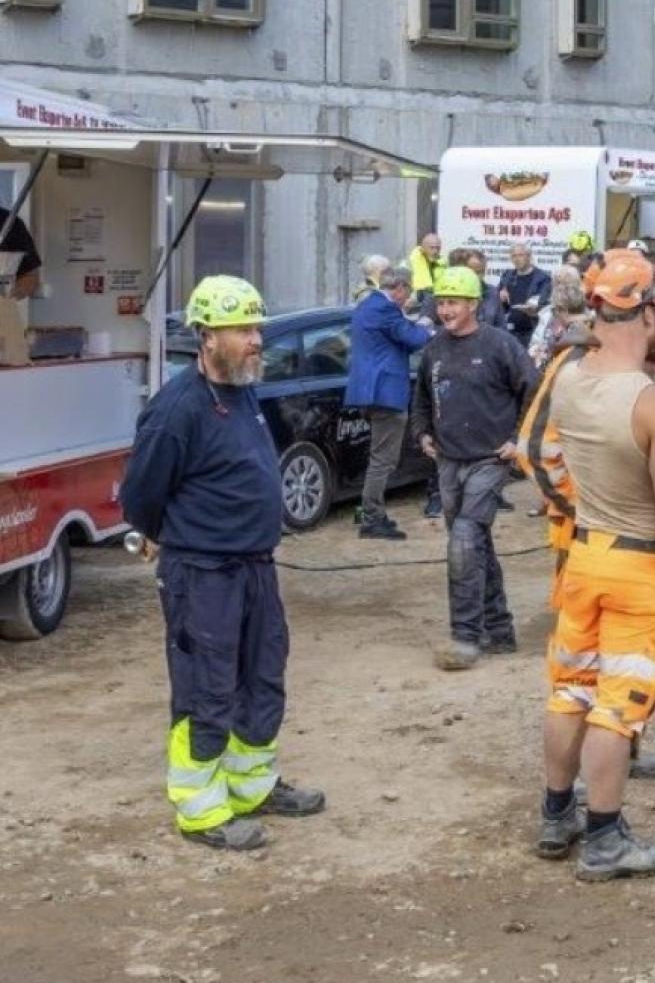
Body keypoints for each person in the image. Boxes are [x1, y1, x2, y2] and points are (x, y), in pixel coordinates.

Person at [121, 275, 325, 851]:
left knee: (261, 678)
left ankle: (251, 785)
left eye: (257, 326)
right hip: (203, 573)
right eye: (243, 329)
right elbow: (141, 496)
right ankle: (202, 811)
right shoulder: (177, 408)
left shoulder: (242, 392)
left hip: (255, 567)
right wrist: (172, 537)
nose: (257, 339)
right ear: (208, 336)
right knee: (205, 687)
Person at [534, 250, 655, 879]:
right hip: (638, 565)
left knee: (569, 692)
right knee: (616, 706)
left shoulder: (568, 378)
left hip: (582, 556)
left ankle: (557, 814)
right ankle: (605, 837)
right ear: (651, 311)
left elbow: (548, 462)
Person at [413, 266, 539, 671]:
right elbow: (420, 395)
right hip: (449, 459)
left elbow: (535, 391)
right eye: (441, 302)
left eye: (452, 302)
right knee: (474, 544)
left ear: (473, 305)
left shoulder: (501, 345)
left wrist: (519, 439)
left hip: (490, 459)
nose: (444, 309)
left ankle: (465, 637)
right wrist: (422, 432)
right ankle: (500, 630)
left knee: (464, 540)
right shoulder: (434, 349)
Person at [347, 264, 433, 540]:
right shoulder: (386, 309)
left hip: (369, 391)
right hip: (386, 393)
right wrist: (427, 328)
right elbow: (412, 338)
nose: (407, 297)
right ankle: (372, 519)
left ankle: (369, 513)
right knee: (383, 460)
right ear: (399, 288)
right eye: (407, 291)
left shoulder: (366, 305)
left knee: (376, 457)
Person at [530, 265, 588, 370]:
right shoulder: (546, 313)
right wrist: (536, 353)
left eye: (566, 284)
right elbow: (535, 343)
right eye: (557, 283)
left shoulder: (589, 317)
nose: (560, 288)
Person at [497, 243, 553, 350]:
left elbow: (546, 304)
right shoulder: (507, 276)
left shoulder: (543, 279)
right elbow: (499, 303)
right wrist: (500, 295)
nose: (517, 259)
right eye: (514, 256)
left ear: (529, 256)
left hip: (532, 331)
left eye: (520, 255)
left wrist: (534, 306)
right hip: (510, 331)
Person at [406, 233, 444, 310]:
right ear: (422, 248)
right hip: (414, 305)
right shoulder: (410, 264)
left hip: (437, 304)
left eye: (438, 248)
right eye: (432, 248)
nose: (435, 251)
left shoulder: (443, 264)